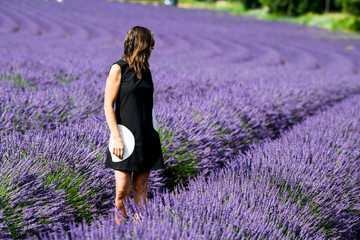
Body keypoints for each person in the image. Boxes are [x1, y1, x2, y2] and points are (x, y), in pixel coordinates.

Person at [103, 26, 165, 224]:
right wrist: (116, 137)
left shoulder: (146, 71)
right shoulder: (118, 68)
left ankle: (140, 230)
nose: (152, 50)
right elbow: (107, 105)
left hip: (146, 136)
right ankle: (119, 231)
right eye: (149, 45)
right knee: (122, 190)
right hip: (124, 136)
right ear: (139, 45)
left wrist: (155, 135)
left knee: (140, 188)